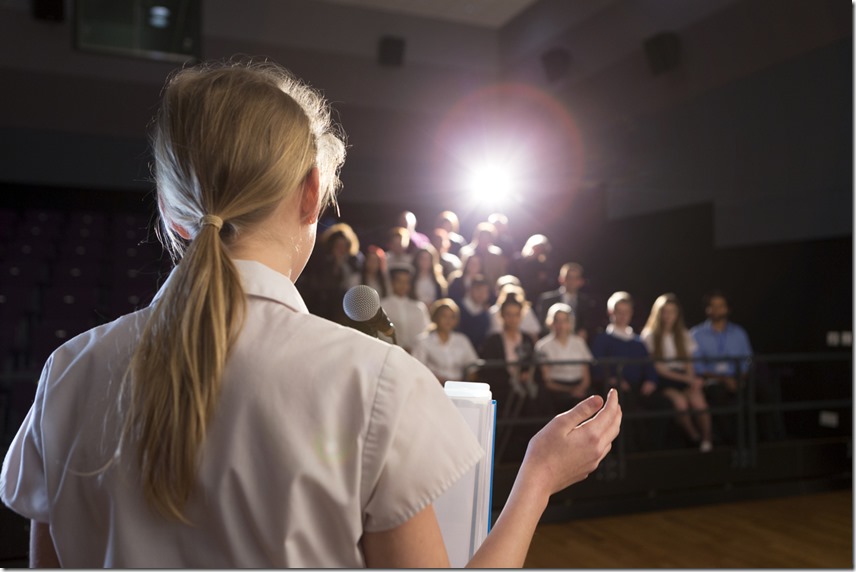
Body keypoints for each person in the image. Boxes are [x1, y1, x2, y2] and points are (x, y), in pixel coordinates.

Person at [0, 59, 622, 568]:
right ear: (309, 195)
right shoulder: (372, 381)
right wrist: (538, 477)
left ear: (169, 209)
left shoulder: (68, 373)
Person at [591, 291, 667, 450]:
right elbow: (597, 367)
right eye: (619, 311)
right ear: (611, 313)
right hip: (616, 389)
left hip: (639, 387)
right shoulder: (603, 339)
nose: (623, 316)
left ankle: (656, 449)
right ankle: (630, 452)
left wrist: (651, 381)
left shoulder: (638, 342)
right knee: (626, 406)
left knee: (663, 403)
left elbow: (648, 365)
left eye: (627, 312)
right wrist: (614, 380)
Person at [641, 294, 713, 452]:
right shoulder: (649, 336)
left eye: (672, 311)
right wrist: (686, 378)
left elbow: (688, 363)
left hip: (683, 376)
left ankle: (707, 440)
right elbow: (659, 369)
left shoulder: (684, 335)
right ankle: (694, 436)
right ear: (658, 313)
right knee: (681, 403)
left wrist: (692, 380)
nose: (668, 316)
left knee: (699, 402)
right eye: (665, 311)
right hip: (664, 379)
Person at [690, 291, 754, 444]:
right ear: (707, 309)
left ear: (728, 309)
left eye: (721, 306)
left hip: (739, 378)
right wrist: (725, 380)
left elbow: (748, 361)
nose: (717, 310)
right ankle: (729, 442)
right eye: (713, 306)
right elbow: (697, 366)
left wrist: (739, 379)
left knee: (762, 390)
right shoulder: (696, 334)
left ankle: (766, 439)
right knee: (718, 394)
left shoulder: (739, 333)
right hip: (712, 381)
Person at [480, 290, 539, 401]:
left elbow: (531, 363)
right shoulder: (493, 341)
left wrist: (525, 374)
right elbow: (490, 370)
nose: (512, 319)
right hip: (501, 391)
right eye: (509, 314)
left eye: (516, 314)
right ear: (502, 315)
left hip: (525, 390)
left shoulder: (527, 339)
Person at [535, 303, 593, 415]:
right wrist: (570, 391)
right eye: (557, 321)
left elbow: (586, 377)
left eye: (565, 321)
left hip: (580, 388)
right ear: (551, 322)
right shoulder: (542, 346)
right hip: (556, 392)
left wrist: (580, 389)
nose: (561, 325)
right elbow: (547, 381)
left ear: (570, 323)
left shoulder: (579, 342)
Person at [411, 299, 479, 384]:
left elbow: (473, 366)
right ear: (435, 318)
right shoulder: (423, 341)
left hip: (459, 389)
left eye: (452, 317)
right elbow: (417, 368)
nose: (448, 320)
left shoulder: (462, 340)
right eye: (444, 316)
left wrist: (464, 383)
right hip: (433, 387)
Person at [538, 262, 596, 341]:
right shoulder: (547, 300)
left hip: (578, 344)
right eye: (568, 277)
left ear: (581, 281)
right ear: (561, 279)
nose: (572, 281)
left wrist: (584, 332)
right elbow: (542, 326)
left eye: (576, 278)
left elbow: (590, 326)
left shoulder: (587, 302)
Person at [380, 265, 431, 353]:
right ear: (392, 282)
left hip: (416, 354)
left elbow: (426, 331)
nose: (403, 285)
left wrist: (413, 348)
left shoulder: (419, 307)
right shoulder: (382, 306)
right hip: (390, 352)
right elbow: (380, 333)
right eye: (399, 281)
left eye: (406, 282)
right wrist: (399, 347)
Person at [511, 234, 554, 304]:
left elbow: (550, 282)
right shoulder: (519, 261)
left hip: (539, 296)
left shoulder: (545, 265)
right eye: (536, 248)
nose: (538, 251)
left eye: (541, 248)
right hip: (522, 293)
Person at [456, 274, 492, 352]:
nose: (482, 295)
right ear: (470, 289)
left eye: (485, 292)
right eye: (479, 290)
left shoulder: (485, 315)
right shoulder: (458, 309)